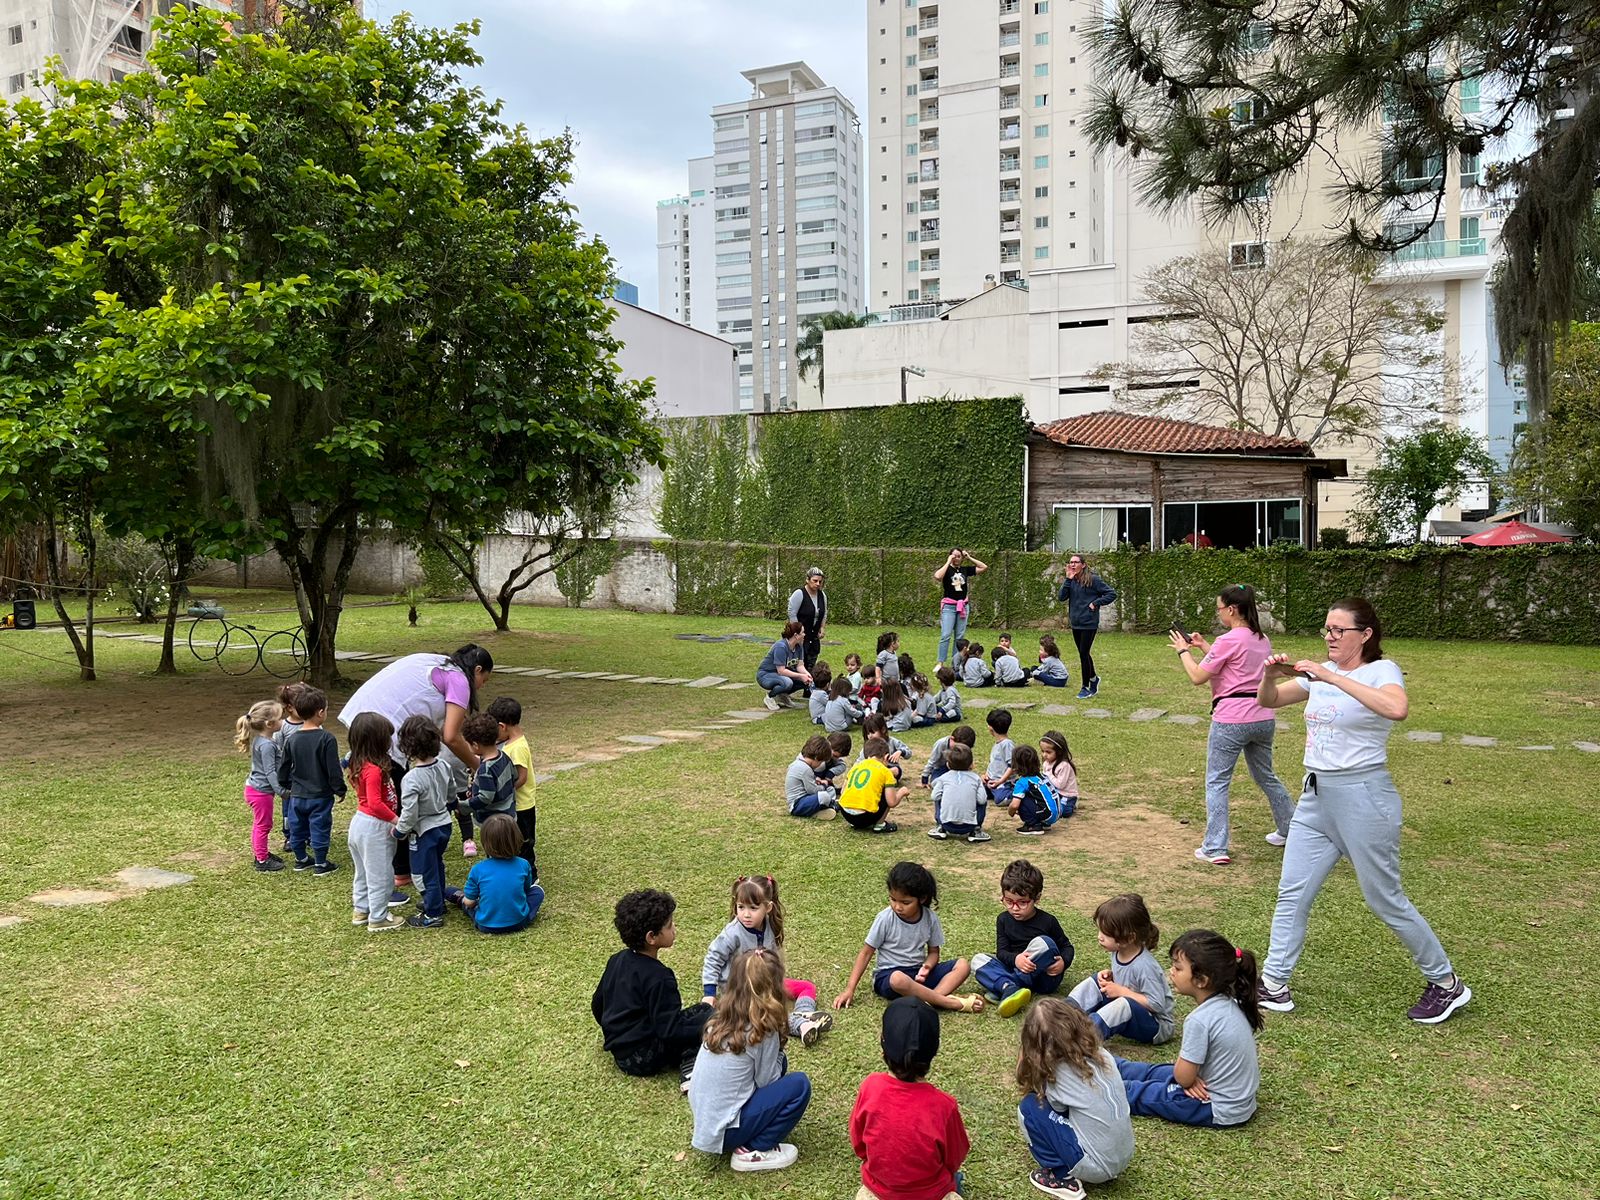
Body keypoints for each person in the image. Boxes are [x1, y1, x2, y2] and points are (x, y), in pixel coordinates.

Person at [1255, 596, 1471, 1024]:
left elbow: (1397, 709)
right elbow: (1269, 701)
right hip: (1316, 798)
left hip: (1364, 797)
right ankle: (1274, 984)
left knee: (1383, 898)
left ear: (1365, 635)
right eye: (1327, 630)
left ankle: (1447, 984)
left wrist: (1330, 679)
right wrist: (1269, 674)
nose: (1330, 638)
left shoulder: (1380, 671)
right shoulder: (1323, 671)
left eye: (1339, 631)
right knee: (1292, 892)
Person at [337, 644, 494, 868]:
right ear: (477, 669)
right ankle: (401, 869)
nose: (481, 686)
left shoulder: (436, 661)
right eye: (484, 680)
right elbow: (450, 736)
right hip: (384, 729)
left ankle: (393, 859)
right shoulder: (458, 679)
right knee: (401, 800)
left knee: (386, 794)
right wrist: (479, 764)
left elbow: (443, 729)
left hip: (363, 719)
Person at [1172, 583, 1296, 866]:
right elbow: (1233, 665)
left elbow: (1198, 677)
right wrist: (1204, 645)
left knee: (1217, 781)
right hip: (1262, 717)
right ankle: (1291, 828)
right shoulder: (1261, 639)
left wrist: (1183, 651)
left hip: (1231, 719)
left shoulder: (1228, 640)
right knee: (1266, 776)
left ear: (1231, 609)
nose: (1219, 614)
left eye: (1219, 608)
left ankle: (1215, 847)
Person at [1115, 930, 1262, 1128]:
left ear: (1202, 980)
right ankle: (1110, 1065)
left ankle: (1091, 1090)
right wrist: (1186, 1079)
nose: (1171, 971)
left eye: (1178, 967)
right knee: (1155, 1072)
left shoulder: (1200, 1020)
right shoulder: (1231, 1002)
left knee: (1139, 1092)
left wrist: (1186, 1081)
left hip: (1215, 1105)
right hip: (1234, 1101)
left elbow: (1183, 1078)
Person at [689, 947, 813, 1173]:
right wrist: (778, 1051)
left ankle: (744, 1128)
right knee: (799, 1086)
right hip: (725, 1131)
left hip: (708, 1123)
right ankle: (753, 1150)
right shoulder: (761, 1029)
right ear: (775, 988)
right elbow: (768, 1080)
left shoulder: (721, 1019)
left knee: (779, 1064)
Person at [849, 997, 970, 1200]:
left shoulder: (870, 1087)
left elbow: (859, 1144)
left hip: (879, 1192)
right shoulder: (944, 1106)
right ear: (935, 1050)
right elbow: (954, 1158)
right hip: (931, 1194)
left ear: (883, 1046)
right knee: (955, 1182)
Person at [592, 889, 713, 1090]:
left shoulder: (617, 960)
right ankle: (690, 1068)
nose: (674, 928)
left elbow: (598, 1004)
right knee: (708, 1016)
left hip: (620, 1052)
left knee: (701, 1014)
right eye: (668, 925)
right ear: (652, 937)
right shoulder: (660, 977)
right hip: (644, 1059)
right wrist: (710, 1022)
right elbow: (671, 1031)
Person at [1015, 998, 1135, 1199]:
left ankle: (1061, 1177)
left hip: (1098, 1168)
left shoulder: (1058, 1075)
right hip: (1124, 1154)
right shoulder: (1102, 1055)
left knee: (1030, 1107)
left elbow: (1056, 1109)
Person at [834, 861, 982, 1013]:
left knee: (963, 965)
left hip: (917, 975)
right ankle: (948, 1003)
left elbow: (933, 952)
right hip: (889, 978)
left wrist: (927, 966)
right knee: (898, 978)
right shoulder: (885, 918)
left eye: (905, 902)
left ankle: (931, 1000)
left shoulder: (930, 918)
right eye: (892, 899)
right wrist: (850, 989)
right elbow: (866, 953)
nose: (897, 906)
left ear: (922, 899)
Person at [701, 876, 832, 1046]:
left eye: (753, 908)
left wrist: (776, 984)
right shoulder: (732, 933)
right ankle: (802, 1026)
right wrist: (709, 994)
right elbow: (713, 958)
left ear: (768, 907)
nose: (746, 914)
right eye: (741, 907)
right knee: (767, 1014)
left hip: (767, 983)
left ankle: (804, 1013)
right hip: (742, 990)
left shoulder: (770, 925)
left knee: (807, 987)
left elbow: (773, 959)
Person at [1067, 894, 1175, 1045]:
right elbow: (1128, 980)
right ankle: (1064, 1013)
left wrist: (1122, 991)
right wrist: (1112, 978)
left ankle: (1084, 1037)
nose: (1100, 937)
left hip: (1156, 1025)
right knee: (1097, 980)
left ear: (1129, 938)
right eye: (1100, 930)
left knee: (1124, 1003)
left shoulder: (1145, 965)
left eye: (1106, 933)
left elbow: (1156, 1004)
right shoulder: (1118, 951)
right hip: (1128, 1007)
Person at [973, 859, 1073, 1017]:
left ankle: (1007, 986)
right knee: (978, 960)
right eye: (1009, 901)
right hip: (1015, 967)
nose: (1014, 908)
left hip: (1042, 978)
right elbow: (1002, 952)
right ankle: (1010, 987)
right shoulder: (1003, 920)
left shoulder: (1048, 921)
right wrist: (1017, 959)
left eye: (1022, 902)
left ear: (1037, 898)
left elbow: (1067, 947)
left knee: (1043, 943)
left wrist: (1063, 963)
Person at [345, 712, 405, 933]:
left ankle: (362, 909)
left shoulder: (357, 763)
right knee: (381, 874)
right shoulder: (374, 770)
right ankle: (378, 917)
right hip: (375, 827)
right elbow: (375, 803)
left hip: (360, 824)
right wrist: (396, 820)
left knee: (362, 871)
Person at [392, 715, 453, 928]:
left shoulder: (411, 778)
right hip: (444, 824)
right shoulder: (444, 765)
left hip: (424, 831)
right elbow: (452, 790)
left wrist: (399, 831)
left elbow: (409, 812)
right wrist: (452, 802)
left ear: (407, 747)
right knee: (436, 865)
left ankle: (432, 913)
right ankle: (438, 902)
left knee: (421, 873)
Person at [277, 686, 345, 875]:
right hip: (320, 795)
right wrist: (339, 789)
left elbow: (284, 766)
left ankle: (301, 859)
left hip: (297, 795)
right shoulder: (327, 738)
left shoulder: (292, 739)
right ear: (320, 712)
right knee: (320, 826)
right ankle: (321, 863)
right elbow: (333, 769)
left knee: (296, 826)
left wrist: (285, 784)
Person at [460, 813, 545, 934]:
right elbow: (525, 890)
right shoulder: (523, 864)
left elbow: (469, 902)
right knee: (537, 892)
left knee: (467, 902)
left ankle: (457, 896)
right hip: (518, 922)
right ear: (517, 839)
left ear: (485, 842)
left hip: (485, 925)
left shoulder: (478, 869)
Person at [487, 696, 537, 884]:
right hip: (516, 804)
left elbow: (521, 778)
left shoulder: (516, 748)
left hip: (521, 806)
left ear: (502, 726)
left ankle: (530, 877)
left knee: (523, 843)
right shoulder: (512, 744)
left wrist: (500, 791)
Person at [235, 699, 286, 873]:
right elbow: (270, 772)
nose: (283, 721)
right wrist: (281, 791)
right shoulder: (266, 746)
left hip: (256, 790)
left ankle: (261, 853)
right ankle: (262, 860)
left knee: (262, 824)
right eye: (280, 718)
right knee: (263, 825)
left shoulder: (262, 740)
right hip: (260, 793)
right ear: (270, 724)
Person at [1057, 555, 1117, 699]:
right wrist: (1068, 579)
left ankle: (1085, 687)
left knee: (1084, 653)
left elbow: (1111, 594)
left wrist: (1096, 603)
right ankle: (1094, 679)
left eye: (1076, 562)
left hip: (1089, 623)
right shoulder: (1071, 581)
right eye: (1070, 562)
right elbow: (1061, 597)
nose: (1072, 564)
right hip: (1076, 622)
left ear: (1083, 565)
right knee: (1084, 653)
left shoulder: (1093, 579)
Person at [838, 737, 910, 833]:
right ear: (886, 757)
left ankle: (855, 822)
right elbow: (891, 802)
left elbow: (843, 791)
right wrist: (902, 792)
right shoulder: (886, 771)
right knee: (886, 792)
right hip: (865, 817)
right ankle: (880, 825)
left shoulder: (856, 767)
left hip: (845, 813)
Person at [926, 743, 990, 843]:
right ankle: (976, 831)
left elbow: (934, 796)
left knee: (939, 796)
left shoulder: (944, 778)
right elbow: (982, 800)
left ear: (948, 764)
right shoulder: (976, 779)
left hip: (947, 824)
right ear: (971, 765)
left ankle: (940, 827)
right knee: (983, 799)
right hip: (969, 826)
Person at [935, 548, 988, 667]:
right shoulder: (946, 569)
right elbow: (938, 576)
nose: (956, 558)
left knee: (959, 637)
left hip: (963, 606)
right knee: (946, 635)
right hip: (949, 606)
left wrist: (969, 557)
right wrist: (948, 561)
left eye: (958, 556)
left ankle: (956, 662)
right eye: (953, 556)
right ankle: (940, 662)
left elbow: (983, 567)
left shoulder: (965, 570)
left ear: (962, 558)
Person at [1005, 745, 1062, 835]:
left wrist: (1010, 811)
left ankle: (1033, 826)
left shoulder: (1023, 782)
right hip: (1056, 813)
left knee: (1021, 798)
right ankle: (1043, 823)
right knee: (1033, 794)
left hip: (1047, 814)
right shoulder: (1042, 777)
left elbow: (1015, 805)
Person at [757, 621, 813, 711]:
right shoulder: (781, 647)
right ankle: (770, 697)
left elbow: (800, 666)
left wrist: (807, 675)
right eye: (802, 632)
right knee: (787, 682)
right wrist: (800, 676)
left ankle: (782, 695)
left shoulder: (799, 646)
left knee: (806, 681)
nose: (804, 635)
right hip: (766, 675)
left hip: (781, 675)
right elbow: (781, 671)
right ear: (796, 635)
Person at [785, 734, 840, 820]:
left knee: (830, 789)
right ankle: (830, 805)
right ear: (816, 757)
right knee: (824, 795)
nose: (820, 765)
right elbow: (812, 790)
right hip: (798, 804)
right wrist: (823, 786)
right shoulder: (804, 768)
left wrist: (816, 780)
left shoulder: (800, 762)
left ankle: (823, 808)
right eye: (821, 762)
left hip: (805, 800)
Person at [786, 567, 829, 672]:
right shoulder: (799, 594)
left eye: (820, 581)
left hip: (813, 637)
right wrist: (797, 633)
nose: (818, 584)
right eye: (815, 581)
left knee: (811, 665)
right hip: (801, 636)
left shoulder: (822, 595)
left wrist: (822, 628)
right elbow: (792, 613)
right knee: (798, 665)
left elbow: (824, 613)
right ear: (807, 580)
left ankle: (808, 686)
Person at [921, 724, 976, 788]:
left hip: (960, 769)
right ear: (952, 738)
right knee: (935, 783)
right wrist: (924, 778)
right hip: (941, 769)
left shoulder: (966, 747)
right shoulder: (941, 744)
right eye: (957, 747)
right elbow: (932, 761)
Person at [1039, 731, 1079, 819]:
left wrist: (1048, 775)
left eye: (1048, 752)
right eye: (1042, 751)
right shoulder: (1046, 763)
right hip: (1055, 793)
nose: (1044, 755)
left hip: (1066, 795)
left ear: (1059, 752)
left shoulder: (1064, 765)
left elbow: (1060, 785)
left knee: (1062, 812)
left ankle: (1072, 804)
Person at [981, 708, 1016, 807]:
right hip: (991, 782)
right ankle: (994, 792)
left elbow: (1012, 766)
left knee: (1000, 801)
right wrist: (985, 775)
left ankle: (1017, 793)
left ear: (991, 728)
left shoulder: (1007, 744)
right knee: (974, 790)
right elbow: (993, 764)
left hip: (1004, 782)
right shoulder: (997, 744)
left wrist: (1000, 781)